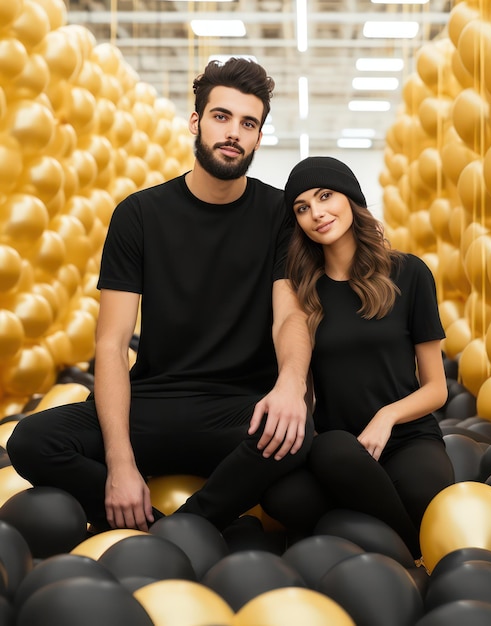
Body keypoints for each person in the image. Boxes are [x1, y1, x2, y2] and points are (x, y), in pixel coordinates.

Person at [7, 57, 313, 533]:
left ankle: (183, 526)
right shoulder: (139, 215)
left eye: (248, 123)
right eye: (221, 116)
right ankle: (155, 517)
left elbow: (288, 317)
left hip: (238, 409)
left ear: (258, 136)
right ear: (196, 121)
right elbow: (111, 343)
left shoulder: (279, 215)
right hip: (153, 403)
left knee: (300, 433)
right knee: (31, 441)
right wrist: (121, 464)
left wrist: (291, 385)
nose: (233, 132)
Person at [262, 156, 454, 559]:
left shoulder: (409, 273)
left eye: (325, 196)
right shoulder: (301, 294)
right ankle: (412, 548)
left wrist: (386, 417)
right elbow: (305, 388)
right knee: (284, 497)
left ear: (350, 198)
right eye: (302, 207)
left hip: (406, 438)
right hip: (339, 449)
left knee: (426, 491)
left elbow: (436, 389)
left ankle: (373, 531)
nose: (317, 213)